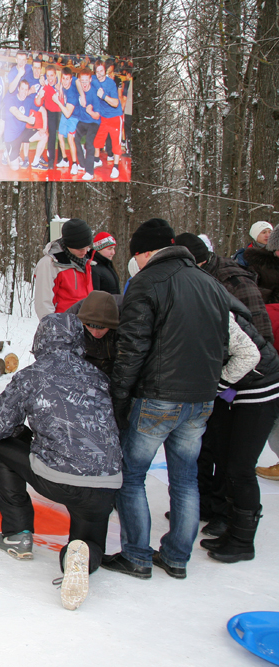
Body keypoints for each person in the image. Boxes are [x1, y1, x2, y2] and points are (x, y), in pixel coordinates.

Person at [103, 218, 234, 581]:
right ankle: (177, 557)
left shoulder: (147, 283)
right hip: (201, 399)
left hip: (159, 397)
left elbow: (132, 348)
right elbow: (222, 345)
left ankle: (136, 555)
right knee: (186, 479)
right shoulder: (210, 284)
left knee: (130, 477)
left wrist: (118, 398)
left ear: (145, 252)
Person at [0, 313, 122, 611]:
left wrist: (22, 433)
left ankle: (17, 533)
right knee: (89, 543)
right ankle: (77, 555)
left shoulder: (32, 375)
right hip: (106, 483)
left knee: (4, 449)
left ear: (40, 340)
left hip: (60, 476)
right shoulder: (97, 375)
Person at [198, 307, 279, 563]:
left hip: (260, 387)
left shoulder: (214, 311)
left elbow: (248, 356)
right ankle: (231, 529)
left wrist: (217, 385)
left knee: (240, 468)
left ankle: (243, 541)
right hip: (237, 390)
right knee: (226, 460)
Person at [33, 218, 93, 319]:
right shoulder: (49, 264)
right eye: (80, 249)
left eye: (87, 247)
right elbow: (43, 304)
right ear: (68, 245)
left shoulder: (86, 261)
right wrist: (53, 328)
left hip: (85, 324)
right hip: (62, 325)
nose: (85, 252)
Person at [66, 289, 120, 377]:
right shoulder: (70, 325)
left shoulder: (127, 326)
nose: (95, 333)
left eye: (101, 328)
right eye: (89, 326)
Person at [92, 60, 123, 179]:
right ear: (95, 72)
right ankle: (96, 159)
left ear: (105, 71)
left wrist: (103, 96)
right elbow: (80, 80)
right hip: (104, 117)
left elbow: (115, 103)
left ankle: (116, 167)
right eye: (97, 71)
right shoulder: (94, 80)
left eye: (102, 71)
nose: (100, 74)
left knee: (116, 145)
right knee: (97, 141)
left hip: (115, 116)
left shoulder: (110, 83)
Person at [73, 68, 100, 181]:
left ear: (90, 79)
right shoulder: (79, 87)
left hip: (94, 122)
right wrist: (82, 95)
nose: (84, 83)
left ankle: (89, 171)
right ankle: (82, 164)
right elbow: (75, 81)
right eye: (82, 81)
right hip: (82, 121)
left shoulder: (94, 93)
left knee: (90, 143)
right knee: (75, 139)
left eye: (86, 80)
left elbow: (97, 116)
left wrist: (91, 112)